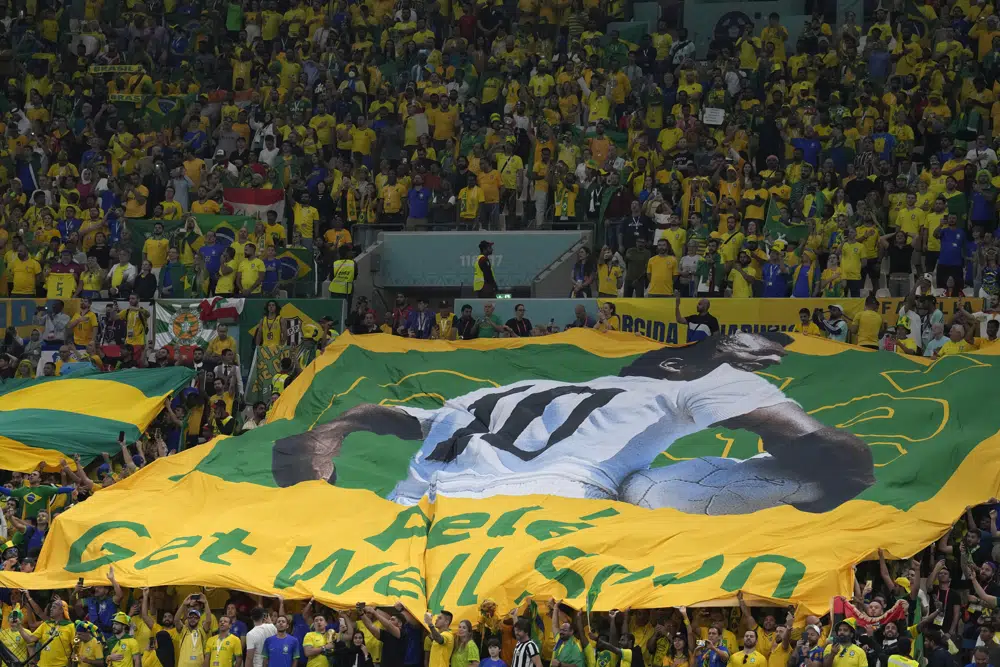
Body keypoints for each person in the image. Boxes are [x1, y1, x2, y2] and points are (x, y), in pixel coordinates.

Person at [272, 332, 875, 516]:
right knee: (648, 489)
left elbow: (376, 415)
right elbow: (822, 446)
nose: (761, 362)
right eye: (747, 351)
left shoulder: (512, 390)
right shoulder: (697, 380)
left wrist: (329, 436)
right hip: (549, 511)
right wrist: (816, 467)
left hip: (416, 514)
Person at [329, 245, 357, 310]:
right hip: (347, 291)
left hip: (334, 291)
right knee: (346, 311)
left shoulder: (335, 263)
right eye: (350, 251)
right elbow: (355, 277)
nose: (351, 253)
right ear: (347, 253)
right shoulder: (353, 263)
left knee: (335, 310)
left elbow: (331, 278)